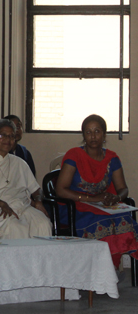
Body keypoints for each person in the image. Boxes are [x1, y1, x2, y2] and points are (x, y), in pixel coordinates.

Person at [56, 114, 138, 267]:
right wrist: (93, 199)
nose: (93, 136)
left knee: (124, 219)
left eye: (97, 131)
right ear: (83, 135)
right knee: (101, 223)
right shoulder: (74, 155)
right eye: (88, 132)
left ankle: (111, 268)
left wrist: (116, 198)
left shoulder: (112, 158)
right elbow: (60, 190)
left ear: (104, 134)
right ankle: (96, 269)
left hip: (102, 205)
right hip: (75, 206)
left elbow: (123, 189)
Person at [0, 119, 52, 239]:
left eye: (11, 136)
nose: (7, 140)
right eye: (3, 135)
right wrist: (1, 203)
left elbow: (36, 189)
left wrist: (38, 201)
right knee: (16, 227)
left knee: (43, 224)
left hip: (22, 207)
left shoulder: (20, 163)